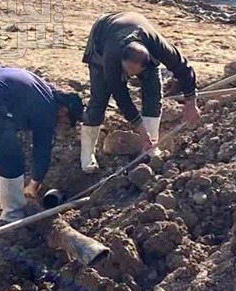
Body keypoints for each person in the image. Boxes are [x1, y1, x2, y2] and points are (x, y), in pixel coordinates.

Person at [0, 65, 84, 222]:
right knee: (12, 160)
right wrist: (34, 185)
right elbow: (42, 151)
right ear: (63, 111)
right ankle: (12, 215)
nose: (62, 125)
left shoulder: (41, 88)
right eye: (66, 122)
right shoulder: (48, 109)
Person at [79, 11, 200, 172]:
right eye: (127, 71)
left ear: (146, 64)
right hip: (103, 33)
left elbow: (183, 68)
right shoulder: (112, 56)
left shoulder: (158, 46)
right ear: (121, 61)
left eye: (135, 72)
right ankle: (86, 155)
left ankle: (150, 146)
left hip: (138, 32)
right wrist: (140, 129)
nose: (130, 76)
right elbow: (121, 96)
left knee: (154, 92)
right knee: (99, 99)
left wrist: (191, 103)